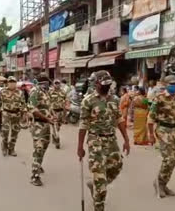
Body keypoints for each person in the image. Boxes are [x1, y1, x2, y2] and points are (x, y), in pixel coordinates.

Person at [77, 70, 130, 211]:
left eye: (108, 83)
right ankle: (98, 202)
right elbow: (83, 125)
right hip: (95, 141)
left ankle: (95, 184)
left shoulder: (114, 99)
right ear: (96, 84)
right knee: (101, 183)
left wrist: (126, 139)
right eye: (103, 83)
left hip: (111, 140)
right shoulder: (88, 101)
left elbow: (119, 119)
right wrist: (80, 147)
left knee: (117, 167)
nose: (107, 86)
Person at [28, 73, 55, 186]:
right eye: (47, 82)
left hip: (46, 125)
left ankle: (38, 164)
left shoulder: (45, 92)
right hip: (38, 124)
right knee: (39, 148)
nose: (48, 84)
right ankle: (34, 176)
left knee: (44, 146)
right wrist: (46, 118)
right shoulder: (35, 91)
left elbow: (48, 107)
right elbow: (32, 109)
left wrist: (53, 115)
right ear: (43, 82)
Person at [0, 76, 26, 156]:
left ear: (16, 83)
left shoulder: (20, 92)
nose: (12, 84)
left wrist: (24, 116)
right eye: (10, 82)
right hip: (6, 114)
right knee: (5, 131)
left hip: (17, 114)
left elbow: (23, 105)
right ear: (7, 83)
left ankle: (11, 148)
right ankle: (4, 147)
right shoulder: (3, 92)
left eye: (13, 82)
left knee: (15, 133)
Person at [48, 79, 67, 149]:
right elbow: (48, 101)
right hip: (53, 111)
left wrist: (65, 114)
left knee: (58, 126)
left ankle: (54, 134)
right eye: (55, 83)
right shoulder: (50, 92)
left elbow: (66, 101)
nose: (57, 85)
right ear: (53, 84)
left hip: (61, 112)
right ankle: (57, 140)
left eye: (58, 83)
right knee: (54, 125)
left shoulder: (63, 92)